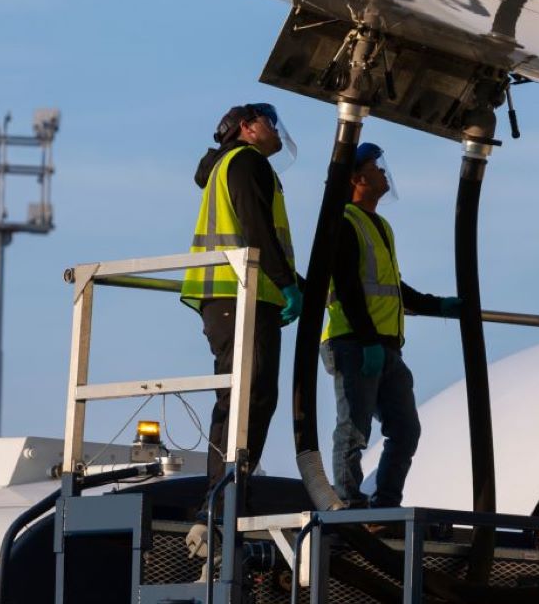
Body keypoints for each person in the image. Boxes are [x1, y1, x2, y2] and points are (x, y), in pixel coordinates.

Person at [180, 103, 304, 510]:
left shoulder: (231, 166)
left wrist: (293, 284)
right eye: (269, 122)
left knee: (245, 394)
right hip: (240, 293)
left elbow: (260, 237)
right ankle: (224, 495)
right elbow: (256, 230)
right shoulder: (247, 161)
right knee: (248, 396)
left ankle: (227, 491)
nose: (276, 130)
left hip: (237, 294)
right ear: (247, 128)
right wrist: (288, 285)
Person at [322, 143, 459, 509]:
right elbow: (349, 288)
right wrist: (367, 341)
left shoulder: (379, 225)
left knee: (405, 429)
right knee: (353, 430)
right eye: (376, 167)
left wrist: (438, 305)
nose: (384, 173)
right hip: (353, 342)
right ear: (357, 178)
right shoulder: (343, 221)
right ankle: (348, 504)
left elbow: (393, 287)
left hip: (384, 345)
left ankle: (385, 504)